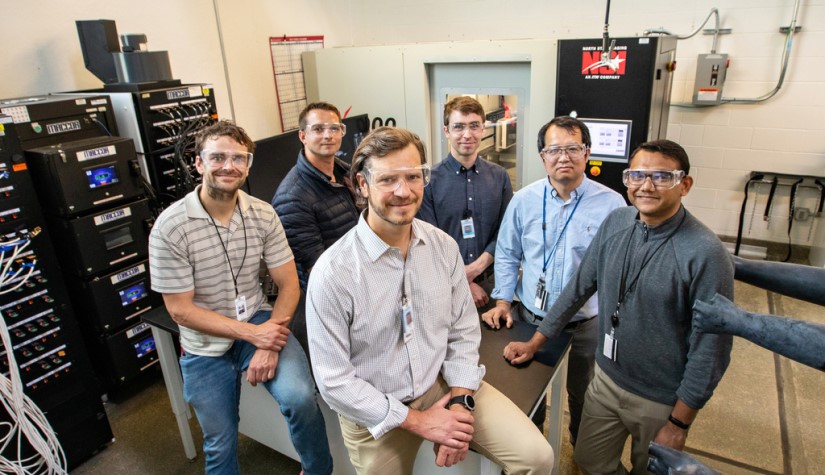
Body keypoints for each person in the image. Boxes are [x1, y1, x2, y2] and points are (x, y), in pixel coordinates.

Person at [306, 126, 553, 474]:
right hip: (377, 412)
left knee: (537, 458)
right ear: (362, 184)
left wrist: (461, 401)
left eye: (413, 176)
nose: (403, 191)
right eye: (388, 179)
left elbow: (464, 331)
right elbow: (334, 381)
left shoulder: (442, 247)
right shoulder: (333, 273)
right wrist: (419, 422)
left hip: (441, 385)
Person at [502, 140, 734, 474]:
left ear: (685, 185)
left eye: (661, 177)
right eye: (637, 175)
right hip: (606, 380)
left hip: (659, 397)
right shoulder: (617, 222)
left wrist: (679, 422)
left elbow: (712, 348)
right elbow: (579, 287)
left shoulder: (706, 253)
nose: (646, 186)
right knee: (589, 461)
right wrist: (537, 340)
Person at [149, 121, 333, 475]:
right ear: (199, 163)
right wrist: (253, 336)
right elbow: (181, 311)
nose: (229, 166)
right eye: (217, 157)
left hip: (258, 320)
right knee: (220, 442)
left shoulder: (263, 213)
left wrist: (267, 344)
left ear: (247, 165)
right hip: (204, 343)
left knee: (300, 398)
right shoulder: (171, 227)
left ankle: (317, 471)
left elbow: (289, 285)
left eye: (238, 158)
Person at [481, 116, 625, 443]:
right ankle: (535, 448)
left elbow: (618, 269)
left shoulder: (612, 205)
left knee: (583, 392)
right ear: (542, 156)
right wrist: (503, 301)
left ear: (587, 153)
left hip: (585, 324)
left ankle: (580, 445)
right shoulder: (524, 201)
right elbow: (507, 253)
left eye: (573, 148)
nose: (564, 157)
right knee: (530, 395)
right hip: (530, 318)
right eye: (554, 150)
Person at [417, 96, 513, 307]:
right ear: (446, 131)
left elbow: (506, 234)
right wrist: (463, 280)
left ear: (483, 129)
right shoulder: (428, 182)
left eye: (474, 126)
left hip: (490, 285)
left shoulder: (500, 177)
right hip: (443, 285)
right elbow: (429, 241)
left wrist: (476, 268)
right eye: (458, 127)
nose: (467, 134)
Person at [272, 102, 359, 291]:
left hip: (359, 274)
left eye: (334, 128)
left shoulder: (346, 174)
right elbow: (317, 269)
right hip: (334, 292)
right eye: (318, 129)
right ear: (303, 136)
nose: (328, 135)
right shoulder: (292, 198)